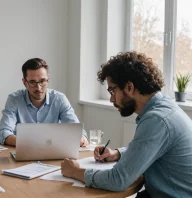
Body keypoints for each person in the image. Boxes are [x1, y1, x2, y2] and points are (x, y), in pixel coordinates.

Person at [61, 51, 192, 197]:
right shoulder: (165, 106)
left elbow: (118, 180)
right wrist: (117, 154)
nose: (111, 100)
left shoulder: (157, 120)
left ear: (129, 87)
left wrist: (75, 171)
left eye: (112, 91)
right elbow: (146, 148)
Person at [0, 58, 88, 146]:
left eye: (42, 81)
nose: (39, 87)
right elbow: (4, 133)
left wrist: (81, 138)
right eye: (33, 82)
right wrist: (32, 144)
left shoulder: (59, 99)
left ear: (48, 78)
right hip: (24, 151)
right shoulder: (14, 100)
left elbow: (77, 130)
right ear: (24, 82)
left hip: (54, 151)